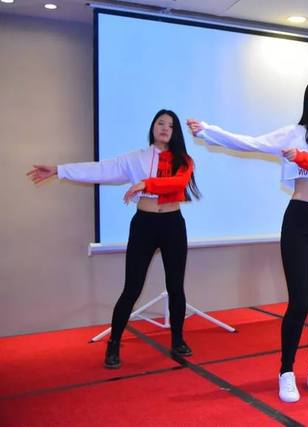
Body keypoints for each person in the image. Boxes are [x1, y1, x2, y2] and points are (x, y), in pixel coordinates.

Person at [186, 76, 308, 403]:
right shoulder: (294, 134)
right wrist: (208, 131)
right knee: (300, 301)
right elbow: (250, 143)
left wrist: (302, 158)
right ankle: (286, 371)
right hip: (300, 219)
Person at [27, 109, 201, 368]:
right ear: (153, 127)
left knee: (176, 286)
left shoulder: (184, 160)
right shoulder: (136, 158)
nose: (165, 128)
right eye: (160, 123)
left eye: (171, 125)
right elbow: (101, 170)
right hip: (144, 225)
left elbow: (179, 183)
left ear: (176, 132)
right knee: (132, 288)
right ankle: (114, 344)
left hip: (173, 225)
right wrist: (59, 170)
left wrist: (145, 184)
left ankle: (177, 339)